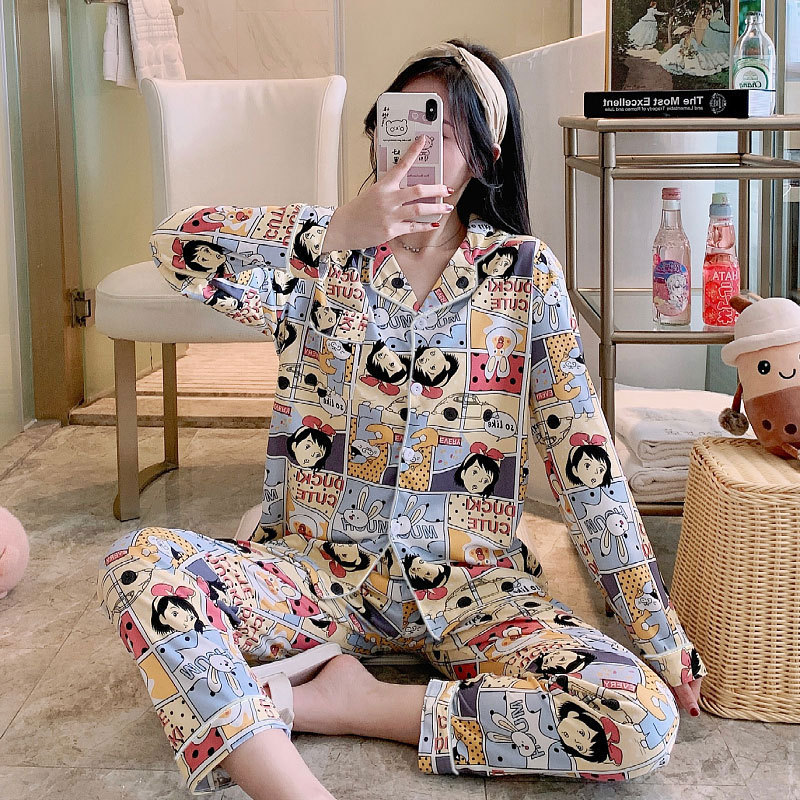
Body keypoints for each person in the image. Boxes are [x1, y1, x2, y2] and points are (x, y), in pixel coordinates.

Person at [98, 39, 706, 800]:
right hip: (315, 577)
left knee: (640, 719)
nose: (417, 149)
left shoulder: (523, 274)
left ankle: (342, 702)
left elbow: (585, 465)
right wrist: (333, 231)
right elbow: (173, 246)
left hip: (473, 590)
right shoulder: (320, 262)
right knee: (138, 563)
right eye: (402, 122)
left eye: (444, 131)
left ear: (484, 156)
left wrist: (660, 637)